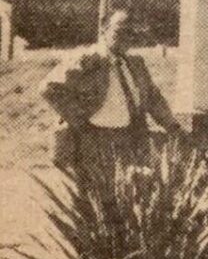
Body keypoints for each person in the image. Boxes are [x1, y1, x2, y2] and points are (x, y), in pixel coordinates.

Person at [39, 10, 183, 170]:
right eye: (119, 31)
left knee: (124, 192)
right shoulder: (87, 59)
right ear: (104, 30)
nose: (126, 37)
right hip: (92, 141)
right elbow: (49, 88)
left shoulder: (136, 64)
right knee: (91, 192)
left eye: (131, 32)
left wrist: (172, 126)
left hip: (128, 139)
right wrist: (80, 120)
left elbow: (152, 98)